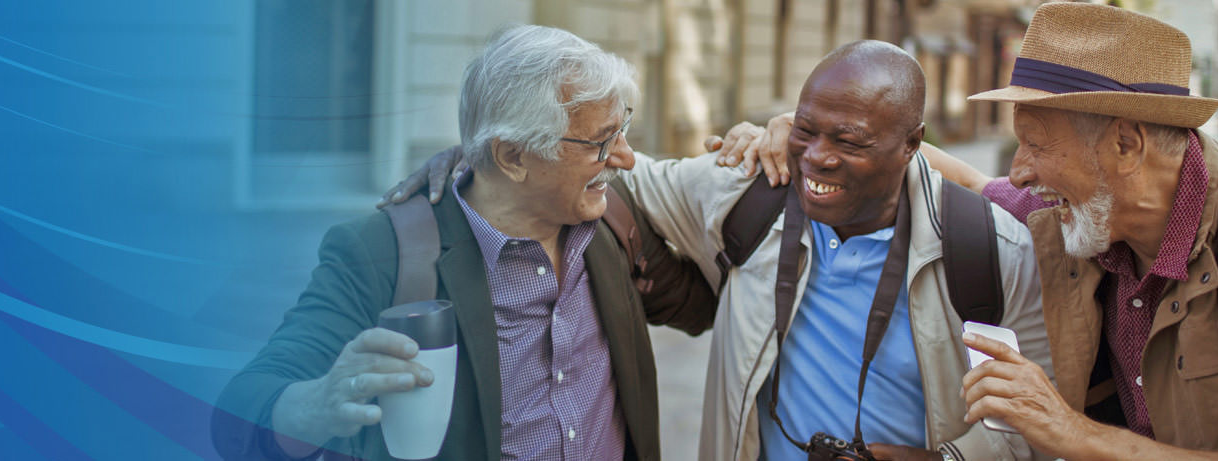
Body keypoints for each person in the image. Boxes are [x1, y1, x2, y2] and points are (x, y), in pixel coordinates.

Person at [390, 40, 1052, 461]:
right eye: (807, 129)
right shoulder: (750, 190)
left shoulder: (991, 249)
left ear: (912, 144)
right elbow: (615, 173)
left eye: (848, 142)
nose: (818, 157)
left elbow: (1028, 427)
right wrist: (479, 161)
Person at [920, 2, 1218, 460]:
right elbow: (972, 182)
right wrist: (868, 132)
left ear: (1127, 144)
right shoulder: (1091, 212)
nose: (1020, 170)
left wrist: (1072, 432)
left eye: (1035, 144)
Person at [211, 25, 666, 460]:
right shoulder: (380, 254)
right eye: (601, 143)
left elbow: (710, 298)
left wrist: (739, 146)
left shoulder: (609, 222)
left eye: (622, 128)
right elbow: (240, 414)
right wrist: (318, 402)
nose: (625, 158)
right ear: (512, 156)